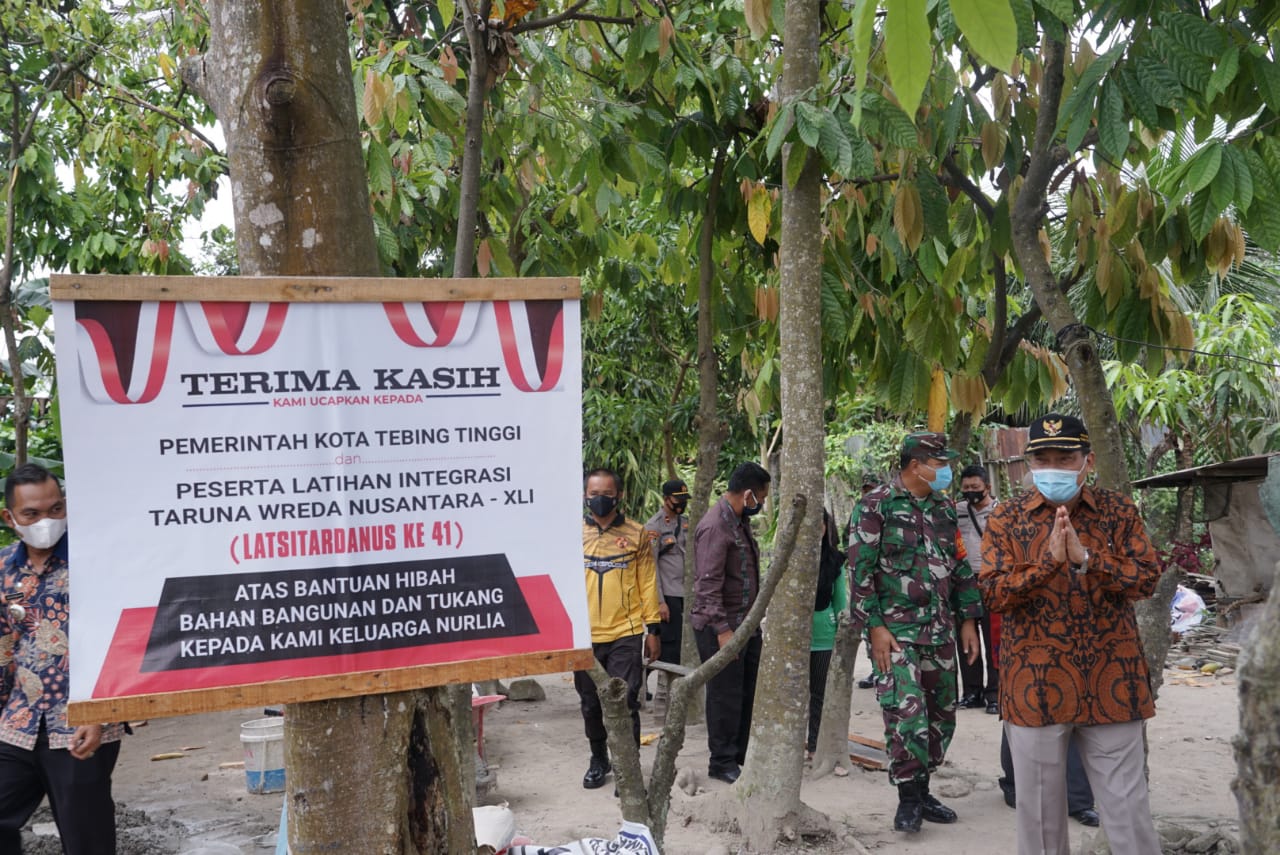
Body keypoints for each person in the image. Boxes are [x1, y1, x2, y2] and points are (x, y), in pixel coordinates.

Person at [979, 413, 1162, 854]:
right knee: (1038, 817)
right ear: (1028, 464)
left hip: (1113, 684)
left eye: (1066, 458)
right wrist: (1046, 565)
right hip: (1035, 688)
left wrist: (1086, 559)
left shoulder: (1119, 512)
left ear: (1088, 461)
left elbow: (1146, 579)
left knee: (1128, 809)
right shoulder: (1006, 518)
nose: (1054, 468)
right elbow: (992, 592)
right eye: (1043, 459)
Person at [848, 432, 981, 834]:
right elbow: (860, 573)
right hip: (895, 632)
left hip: (939, 630)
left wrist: (969, 619)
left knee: (943, 716)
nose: (945, 470)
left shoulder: (943, 508)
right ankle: (908, 798)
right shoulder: (875, 506)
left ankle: (923, 789)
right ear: (914, 465)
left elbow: (959, 565)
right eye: (939, 463)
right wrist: (874, 628)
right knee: (907, 715)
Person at [0, 463, 124, 854]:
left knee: (86, 838)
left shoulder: (95, 562)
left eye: (55, 510)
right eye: (32, 514)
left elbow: (120, 638)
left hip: (81, 725)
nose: (46, 521)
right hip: (17, 722)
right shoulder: (5, 570)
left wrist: (99, 712)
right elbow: (5, 645)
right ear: (10, 518)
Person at [575, 468, 661, 789]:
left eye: (607, 494)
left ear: (619, 495)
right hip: (584, 637)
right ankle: (598, 759)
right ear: (585, 495)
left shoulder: (637, 534)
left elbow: (648, 583)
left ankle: (628, 766)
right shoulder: (570, 534)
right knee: (590, 703)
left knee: (625, 702)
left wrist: (653, 629)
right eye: (594, 493)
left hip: (625, 633)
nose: (600, 499)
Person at [690, 462, 771, 785]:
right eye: (761, 497)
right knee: (725, 694)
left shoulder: (737, 521)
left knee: (748, 690)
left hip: (745, 624)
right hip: (720, 627)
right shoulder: (715, 526)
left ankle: (739, 755)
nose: (761, 504)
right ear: (748, 494)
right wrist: (724, 632)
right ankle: (721, 760)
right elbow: (707, 586)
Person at [644, 478, 690, 723]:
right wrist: (659, 602)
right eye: (677, 500)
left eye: (684, 499)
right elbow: (650, 568)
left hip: (685, 595)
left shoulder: (686, 523)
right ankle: (662, 711)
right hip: (667, 596)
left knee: (681, 648)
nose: (681, 504)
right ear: (666, 500)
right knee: (669, 652)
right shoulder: (654, 527)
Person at [955, 464, 999, 714]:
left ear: (987, 487)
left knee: (994, 638)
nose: (971, 492)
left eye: (976, 488)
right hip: (965, 580)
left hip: (991, 578)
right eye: (966, 488)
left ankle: (994, 693)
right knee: (966, 637)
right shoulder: (958, 511)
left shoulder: (1001, 510)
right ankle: (972, 692)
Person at [807, 509, 847, 758]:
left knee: (820, 694)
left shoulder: (835, 561)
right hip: (794, 640)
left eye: (819, 525)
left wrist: (838, 632)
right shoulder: (789, 560)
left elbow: (840, 603)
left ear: (825, 527)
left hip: (823, 638)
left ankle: (814, 746)